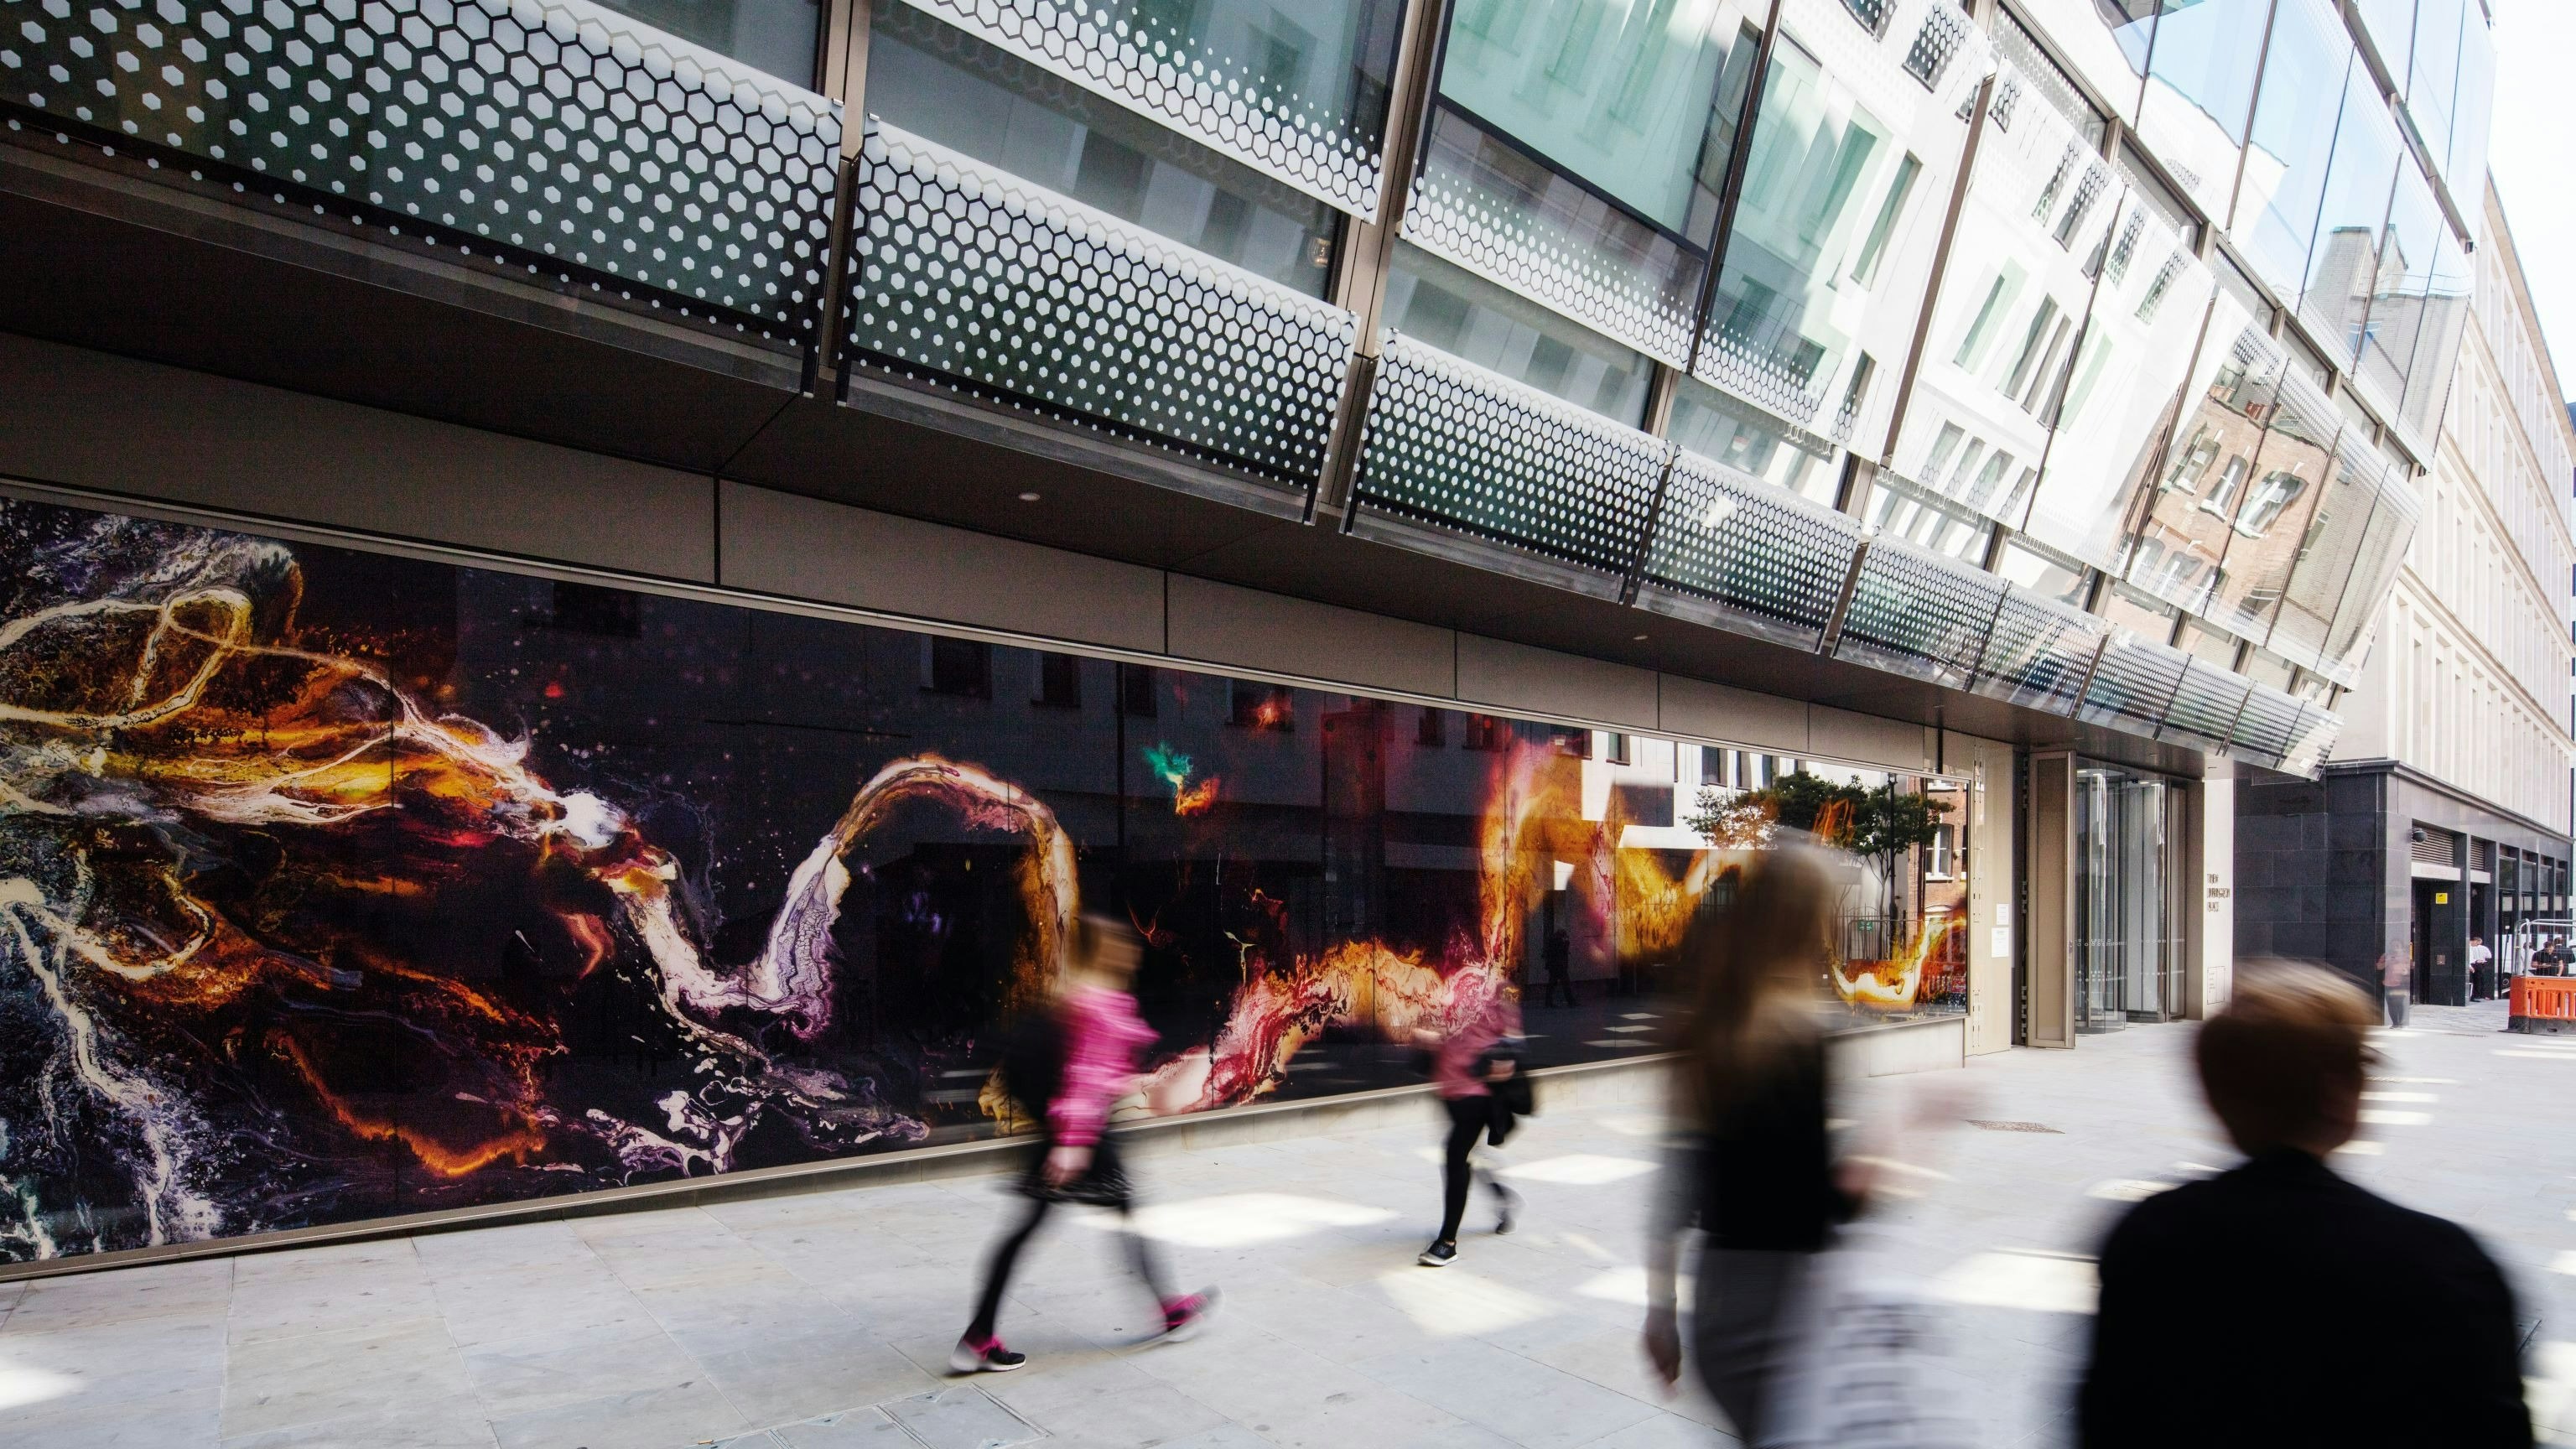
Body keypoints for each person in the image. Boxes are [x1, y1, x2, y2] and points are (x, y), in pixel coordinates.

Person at [2077, 960, 2529, 1447]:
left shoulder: (2148, 1236)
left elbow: (2110, 1416)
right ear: (2341, 1094)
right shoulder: (2442, 1263)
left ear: (2215, 1094)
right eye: (2364, 1064)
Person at [1641, 848, 1866, 1446]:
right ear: (1811, 923)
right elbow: (1820, 1206)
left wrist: (1660, 1309)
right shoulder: (1804, 1035)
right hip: (1788, 1307)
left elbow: (1675, 1187)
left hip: (1719, 1303)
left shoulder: (1705, 1028)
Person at [951, 914, 1213, 1374]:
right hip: (1082, 1141)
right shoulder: (1098, 1004)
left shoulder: (1073, 1000)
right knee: (1125, 1225)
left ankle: (979, 1336)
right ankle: (1171, 1311)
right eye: (1123, 948)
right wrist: (1072, 1145)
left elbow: (1092, 1072)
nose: (1130, 956)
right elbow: (1084, 1077)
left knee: (1028, 1232)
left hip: (1063, 1138)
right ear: (1109, 953)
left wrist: (1137, 1081)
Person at [1417, 979, 1526, 1267]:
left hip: (1477, 1091)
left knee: (1455, 1154)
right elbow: (1437, 1025)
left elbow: (1515, 1037)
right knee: (1466, 1155)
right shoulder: (1439, 978)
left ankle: (1447, 1242)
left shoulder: (1494, 983)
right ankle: (1503, 1198)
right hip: (1448, 1086)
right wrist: (1427, 1037)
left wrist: (1503, 1059)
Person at [1542, 925, 1576, 1008]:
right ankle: (1570, 1001)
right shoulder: (1559, 942)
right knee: (1565, 984)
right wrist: (1567, 943)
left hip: (1554, 966)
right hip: (1559, 966)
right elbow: (1562, 952)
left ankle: (1548, 1002)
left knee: (1552, 984)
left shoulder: (1552, 940)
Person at [2469, 935, 2493, 1000]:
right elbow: (2489, 956)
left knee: (2474, 981)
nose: (2477, 946)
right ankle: (2476, 995)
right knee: (2478, 981)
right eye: (2477, 944)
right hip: (2476, 964)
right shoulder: (2469, 947)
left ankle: (2473, 996)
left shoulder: (2471, 947)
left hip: (2473, 963)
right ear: (2475, 941)